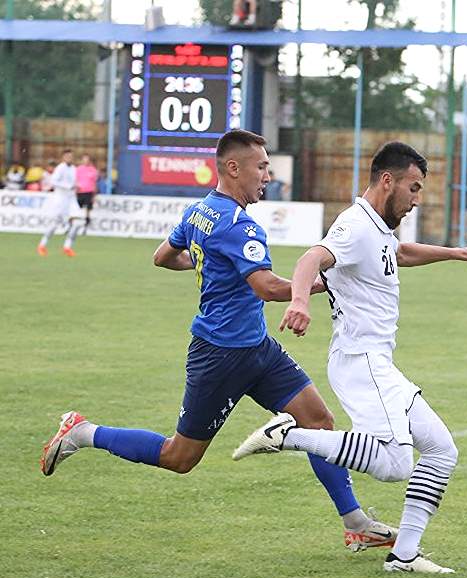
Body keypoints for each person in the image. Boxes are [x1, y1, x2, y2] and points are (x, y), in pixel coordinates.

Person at [39, 129, 399, 554]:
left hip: (257, 349)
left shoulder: (200, 211)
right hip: (220, 356)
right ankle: (83, 432)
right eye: (261, 167)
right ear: (233, 168)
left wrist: (209, 262)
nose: (267, 176)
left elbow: (163, 257)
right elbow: (267, 287)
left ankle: (356, 524)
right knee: (179, 457)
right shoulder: (239, 225)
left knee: (318, 421)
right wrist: (317, 286)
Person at [231, 141, 467, 574]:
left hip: (377, 363)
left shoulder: (378, 227)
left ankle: (404, 555)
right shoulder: (356, 225)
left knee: (440, 450)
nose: (417, 199)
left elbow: (398, 253)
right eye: (414, 188)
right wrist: (299, 301)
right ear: (388, 180)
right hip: (360, 361)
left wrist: (459, 253)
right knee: (395, 464)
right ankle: (288, 435)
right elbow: (311, 258)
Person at [37, 150, 84, 257]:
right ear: (63, 158)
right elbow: (53, 181)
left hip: (71, 198)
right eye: (67, 156)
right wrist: (68, 186)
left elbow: (72, 182)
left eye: (71, 156)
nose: (69, 158)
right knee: (54, 224)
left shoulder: (73, 168)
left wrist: (76, 186)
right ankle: (42, 245)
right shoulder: (60, 168)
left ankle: (67, 247)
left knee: (78, 223)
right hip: (60, 199)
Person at [76, 153, 100, 231]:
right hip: (79, 192)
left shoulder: (93, 170)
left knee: (88, 209)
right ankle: (75, 224)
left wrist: (94, 195)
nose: (85, 161)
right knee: (77, 208)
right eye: (84, 159)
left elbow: (95, 183)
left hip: (89, 192)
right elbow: (75, 180)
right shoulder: (78, 169)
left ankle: (86, 225)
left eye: (87, 159)